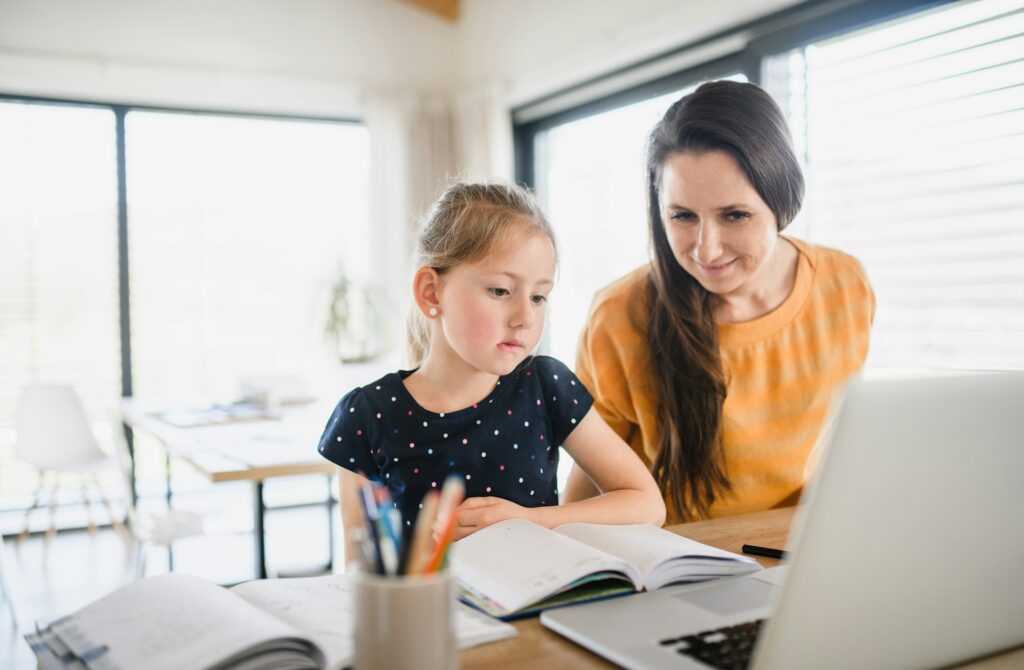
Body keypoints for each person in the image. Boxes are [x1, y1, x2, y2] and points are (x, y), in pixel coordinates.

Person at [564, 80, 875, 524]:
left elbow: (843, 446)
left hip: (802, 555)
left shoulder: (846, 285)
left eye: (734, 215)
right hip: (674, 567)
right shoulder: (619, 316)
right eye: (682, 216)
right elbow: (587, 486)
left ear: (781, 202)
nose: (706, 251)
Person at [318, 182, 665, 557]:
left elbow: (647, 504)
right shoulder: (367, 415)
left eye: (538, 296)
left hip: (536, 606)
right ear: (431, 293)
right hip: (428, 613)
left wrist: (535, 520)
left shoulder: (546, 386)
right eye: (501, 291)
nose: (525, 317)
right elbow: (360, 568)